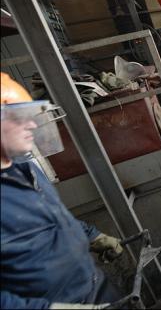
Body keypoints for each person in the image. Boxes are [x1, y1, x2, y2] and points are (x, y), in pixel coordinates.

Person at [1, 72, 124, 309]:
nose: (32, 123)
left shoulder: (26, 169)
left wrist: (91, 235)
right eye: (19, 117)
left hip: (96, 288)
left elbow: (51, 219)